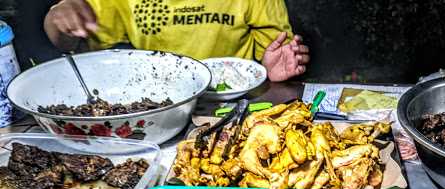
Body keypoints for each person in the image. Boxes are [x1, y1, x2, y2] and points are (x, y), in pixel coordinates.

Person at [44, 0, 310, 82]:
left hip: (226, 108)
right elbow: (66, 43)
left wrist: (270, 69)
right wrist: (58, 17)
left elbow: (273, 60)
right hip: (159, 106)